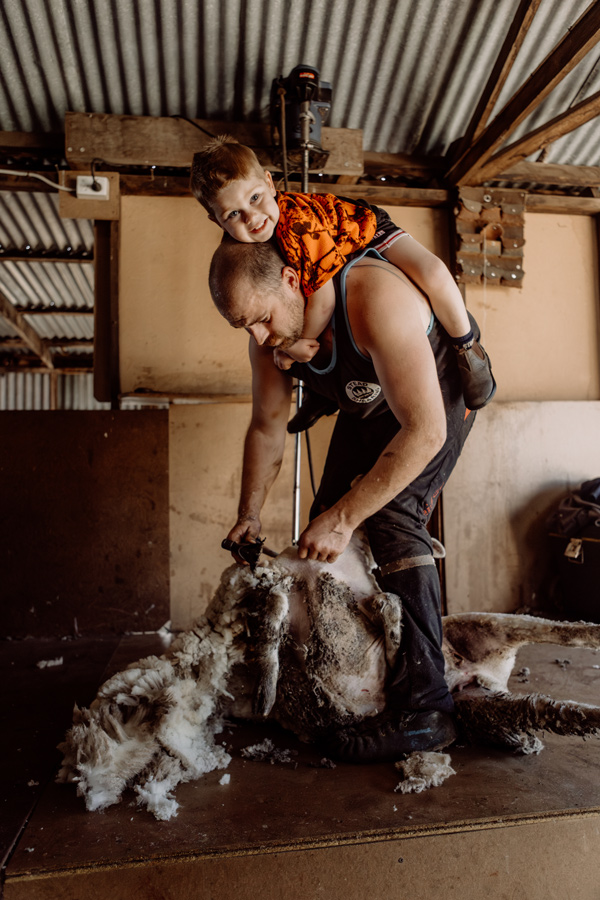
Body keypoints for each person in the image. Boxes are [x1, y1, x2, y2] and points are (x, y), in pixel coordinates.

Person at [208, 236, 479, 763]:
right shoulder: (267, 338)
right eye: (247, 327)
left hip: (438, 400)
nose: (262, 337)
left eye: (262, 318)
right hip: (371, 406)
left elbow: (424, 432)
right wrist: (250, 512)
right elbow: (267, 426)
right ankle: (361, 679)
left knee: (392, 516)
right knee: (323, 531)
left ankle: (428, 709)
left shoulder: (373, 298)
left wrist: (346, 517)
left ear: (291, 282)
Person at [191, 136, 495, 433]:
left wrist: (298, 345)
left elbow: (323, 299)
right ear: (216, 220)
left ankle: (468, 351)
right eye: (233, 214)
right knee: (297, 318)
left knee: (432, 272)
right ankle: (324, 391)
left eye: (255, 198)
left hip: (363, 232)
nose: (252, 217)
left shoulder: (299, 225)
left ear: (270, 183)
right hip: (326, 257)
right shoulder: (244, 242)